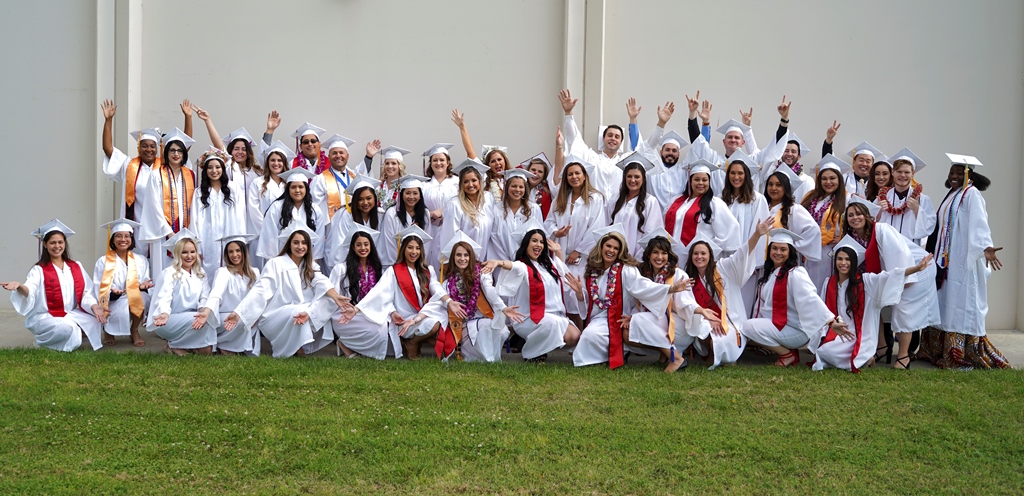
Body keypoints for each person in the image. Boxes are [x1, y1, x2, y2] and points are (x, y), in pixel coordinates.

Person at [919, 154, 1009, 369]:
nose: (954, 176)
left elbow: (979, 224)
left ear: (969, 175)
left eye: (960, 173)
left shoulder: (972, 194)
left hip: (963, 262)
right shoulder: (953, 194)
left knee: (959, 303)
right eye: (952, 172)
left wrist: (986, 247)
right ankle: (937, 350)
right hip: (948, 261)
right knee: (946, 302)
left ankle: (960, 352)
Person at [564, 224, 690, 369]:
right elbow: (588, 301)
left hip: (620, 316)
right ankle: (617, 352)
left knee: (591, 335)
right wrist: (579, 292)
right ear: (601, 247)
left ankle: (670, 356)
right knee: (589, 335)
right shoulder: (593, 270)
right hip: (599, 317)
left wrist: (672, 288)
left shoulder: (626, 270)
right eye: (608, 246)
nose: (611, 250)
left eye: (616, 248)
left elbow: (643, 286)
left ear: (620, 251)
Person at [842, 197, 940, 368]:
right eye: (850, 215)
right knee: (874, 302)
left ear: (867, 215)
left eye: (858, 214)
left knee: (903, 308)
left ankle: (903, 356)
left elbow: (900, 254)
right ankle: (882, 347)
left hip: (917, 269)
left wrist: (906, 279)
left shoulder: (881, 229)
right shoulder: (854, 238)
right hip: (894, 273)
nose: (855, 217)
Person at [811, 236, 933, 372]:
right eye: (840, 259)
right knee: (821, 348)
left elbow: (891, 275)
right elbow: (822, 310)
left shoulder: (865, 281)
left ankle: (864, 357)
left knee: (828, 351)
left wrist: (916, 268)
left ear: (854, 262)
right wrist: (831, 324)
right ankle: (864, 360)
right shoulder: (829, 283)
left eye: (848, 259)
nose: (843, 263)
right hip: (835, 330)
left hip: (858, 334)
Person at [225, 225, 349, 358]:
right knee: (300, 311)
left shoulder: (310, 265)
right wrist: (239, 312)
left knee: (324, 300)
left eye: (304, 243)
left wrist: (336, 297)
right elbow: (260, 290)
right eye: (296, 242)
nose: (300, 246)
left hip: (301, 310)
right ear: (289, 244)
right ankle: (295, 348)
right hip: (274, 316)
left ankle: (299, 344)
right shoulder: (276, 263)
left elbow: (321, 281)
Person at [337, 226, 450, 360]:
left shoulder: (428, 270)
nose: (414, 252)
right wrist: (356, 309)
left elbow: (436, 288)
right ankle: (411, 344)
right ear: (403, 249)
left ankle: (412, 343)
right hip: (403, 320)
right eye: (410, 247)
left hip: (420, 317)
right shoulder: (393, 271)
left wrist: (449, 301)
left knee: (436, 321)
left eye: (417, 248)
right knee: (432, 328)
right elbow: (379, 293)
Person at [741, 228, 847, 367]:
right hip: (782, 327)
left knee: (747, 327)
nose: (778, 252)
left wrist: (831, 322)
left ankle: (787, 355)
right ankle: (789, 352)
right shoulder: (771, 273)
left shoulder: (795, 273)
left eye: (783, 249)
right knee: (747, 329)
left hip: (797, 330)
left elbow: (810, 299)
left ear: (790, 252)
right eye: (775, 248)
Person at [683, 221, 772, 369]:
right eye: (696, 253)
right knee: (703, 327)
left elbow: (742, 254)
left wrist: (756, 235)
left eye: (703, 253)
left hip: (731, 322)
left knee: (720, 340)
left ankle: (726, 357)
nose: (699, 257)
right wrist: (709, 319)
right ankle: (714, 354)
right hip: (706, 319)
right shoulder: (690, 277)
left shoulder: (724, 268)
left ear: (710, 255)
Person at [3, 220, 103, 352]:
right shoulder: (39, 270)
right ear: (45, 244)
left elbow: (86, 292)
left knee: (96, 319)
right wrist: (19, 286)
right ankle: (42, 342)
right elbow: (30, 290)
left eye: (60, 242)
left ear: (65, 243)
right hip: (45, 315)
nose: (57, 246)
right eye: (52, 242)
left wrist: (94, 306)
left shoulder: (75, 266)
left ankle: (73, 331)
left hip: (69, 313)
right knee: (67, 329)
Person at [493, 217, 581, 362]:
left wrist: (559, 252)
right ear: (526, 243)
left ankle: (540, 345)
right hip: (529, 318)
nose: (538, 244)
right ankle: (532, 353)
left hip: (553, 316)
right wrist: (498, 262)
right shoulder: (522, 266)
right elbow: (512, 266)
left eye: (541, 241)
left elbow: (562, 277)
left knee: (574, 336)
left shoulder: (548, 265)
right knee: (551, 323)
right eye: (534, 240)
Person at [544, 157, 607, 328]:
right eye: (570, 174)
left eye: (577, 173)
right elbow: (549, 222)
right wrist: (556, 231)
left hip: (583, 257)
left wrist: (578, 251)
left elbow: (597, 227)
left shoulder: (595, 199)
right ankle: (569, 334)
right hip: (561, 253)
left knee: (579, 293)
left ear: (585, 175)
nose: (574, 177)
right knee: (563, 292)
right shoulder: (560, 199)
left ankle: (582, 332)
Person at [437, 232, 518, 363]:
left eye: (466, 255)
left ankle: (490, 359)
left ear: (471, 257)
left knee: (496, 327)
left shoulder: (481, 274)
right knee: (484, 326)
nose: (462, 258)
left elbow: (490, 290)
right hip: (463, 325)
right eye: (458, 255)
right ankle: (488, 360)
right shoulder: (447, 283)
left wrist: (502, 307)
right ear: (453, 257)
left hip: (482, 318)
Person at [314, 224, 390, 359]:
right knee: (379, 329)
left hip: (368, 312)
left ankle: (351, 346)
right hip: (345, 315)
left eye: (366, 244)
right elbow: (330, 295)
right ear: (353, 248)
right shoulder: (341, 270)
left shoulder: (378, 270)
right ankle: (345, 343)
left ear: (371, 247)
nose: (363, 248)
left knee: (384, 325)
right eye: (358, 245)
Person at [626, 228, 695, 372]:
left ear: (669, 256)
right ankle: (664, 356)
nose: (660, 257)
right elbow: (641, 302)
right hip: (658, 323)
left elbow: (687, 304)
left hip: (677, 325)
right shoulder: (644, 275)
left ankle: (676, 358)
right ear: (649, 254)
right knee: (627, 332)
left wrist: (700, 311)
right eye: (655, 252)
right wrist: (631, 317)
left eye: (664, 253)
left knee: (639, 321)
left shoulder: (677, 274)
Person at [146, 229, 215, 355]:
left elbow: (205, 296)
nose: (189, 256)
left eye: (192, 252)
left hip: (191, 317)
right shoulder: (169, 273)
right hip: (167, 320)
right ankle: (173, 345)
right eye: (184, 252)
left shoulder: (200, 273)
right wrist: (165, 313)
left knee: (206, 350)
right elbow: (164, 296)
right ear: (177, 254)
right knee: (204, 327)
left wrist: (202, 311)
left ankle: (186, 346)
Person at [193, 234, 261, 355]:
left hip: (247, 315)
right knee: (241, 321)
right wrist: (206, 313)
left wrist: (254, 316)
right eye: (230, 252)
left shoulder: (254, 272)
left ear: (244, 252)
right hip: (225, 317)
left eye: (238, 250)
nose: (234, 255)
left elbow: (258, 298)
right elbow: (216, 294)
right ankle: (224, 345)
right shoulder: (224, 272)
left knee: (249, 320)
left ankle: (234, 346)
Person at [557, 89, 632, 196]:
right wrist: (568, 113)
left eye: (617, 137)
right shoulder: (592, 158)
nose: (613, 139)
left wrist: (633, 119)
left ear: (620, 142)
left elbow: (644, 148)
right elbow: (574, 139)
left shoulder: (625, 161)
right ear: (603, 138)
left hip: (618, 209)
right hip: (595, 207)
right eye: (610, 135)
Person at [663, 159, 741, 259]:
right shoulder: (676, 201)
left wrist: (709, 248)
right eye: (696, 179)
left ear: (709, 182)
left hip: (698, 259)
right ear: (690, 181)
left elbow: (731, 230)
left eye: (704, 180)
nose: (701, 183)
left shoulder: (714, 203)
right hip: (671, 256)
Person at [93, 218, 153, 347]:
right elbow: (98, 285)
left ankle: (134, 330)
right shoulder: (103, 261)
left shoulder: (141, 260)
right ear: (113, 240)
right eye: (118, 236)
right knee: (128, 300)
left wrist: (142, 287)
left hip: (134, 296)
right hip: (113, 300)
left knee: (142, 298)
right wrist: (112, 292)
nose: (123, 239)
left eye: (127, 236)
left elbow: (144, 280)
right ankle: (108, 330)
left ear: (131, 239)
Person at [191, 147, 246, 278]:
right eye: (210, 167)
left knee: (231, 271)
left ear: (223, 168)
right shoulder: (199, 192)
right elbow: (194, 219)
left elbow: (241, 216)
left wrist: (240, 242)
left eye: (218, 167)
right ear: (205, 170)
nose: (214, 171)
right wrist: (196, 247)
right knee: (208, 271)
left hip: (230, 236)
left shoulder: (233, 188)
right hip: (207, 240)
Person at [801, 154, 852, 292]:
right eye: (824, 178)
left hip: (829, 251)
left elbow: (854, 222)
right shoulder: (810, 197)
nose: (828, 182)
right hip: (808, 248)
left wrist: (843, 238)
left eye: (832, 178)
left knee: (825, 284)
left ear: (839, 180)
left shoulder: (846, 199)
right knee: (807, 283)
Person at [256, 167, 327, 264]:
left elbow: (318, 238)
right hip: (281, 259)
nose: (297, 190)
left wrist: (313, 262)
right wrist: (275, 262)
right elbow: (270, 236)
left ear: (306, 189)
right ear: (288, 189)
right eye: (293, 187)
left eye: (301, 187)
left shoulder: (315, 209)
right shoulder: (276, 207)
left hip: (306, 260)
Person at [606, 151, 664, 257]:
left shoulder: (650, 202)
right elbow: (606, 227)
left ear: (643, 179)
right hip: (613, 256)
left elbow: (651, 233)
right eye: (629, 176)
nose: (632, 180)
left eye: (637, 177)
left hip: (636, 259)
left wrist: (638, 258)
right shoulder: (615, 199)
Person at [247, 140, 294, 269]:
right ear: (267, 162)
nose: (276, 163)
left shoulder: (290, 184)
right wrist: (267, 230)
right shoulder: (258, 183)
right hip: (262, 235)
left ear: (284, 163)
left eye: (279, 160)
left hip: (286, 235)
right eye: (272, 160)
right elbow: (253, 209)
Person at [439, 159, 497, 261]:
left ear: (479, 181)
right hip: (462, 262)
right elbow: (448, 236)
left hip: (484, 260)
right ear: (461, 184)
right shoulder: (455, 205)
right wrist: (448, 261)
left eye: (474, 180)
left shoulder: (488, 199)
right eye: (466, 181)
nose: (470, 185)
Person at [876, 147, 937, 244]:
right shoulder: (882, 198)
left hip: (910, 250)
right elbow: (870, 224)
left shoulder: (922, 200)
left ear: (913, 173)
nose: (903, 175)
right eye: (899, 171)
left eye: (907, 172)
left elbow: (929, 226)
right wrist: (877, 212)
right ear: (893, 172)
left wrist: (917, 210)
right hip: (886, 250)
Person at [325, 175, 382, 268]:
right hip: (348, 265)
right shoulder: (345, 215)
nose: (365, 203)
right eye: (360, 199)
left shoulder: (380, 215)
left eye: (369, 198)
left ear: (375, 198)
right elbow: (339, 247)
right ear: (355, 200)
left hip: (371, 266)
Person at [451, 110, 506, 202]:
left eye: (499, 159)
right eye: (493, 161)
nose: (497, 163)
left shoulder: (511, 179)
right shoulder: (484, 177)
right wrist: (462, 127)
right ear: (487, 165)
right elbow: (470, 152)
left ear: (505, 161)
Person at [379, 175, 432, 267]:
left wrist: (420, 264)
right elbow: (389, 242)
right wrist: (399, 266)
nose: (411, 197)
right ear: (401, 194)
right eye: (407, 193)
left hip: (418, 265)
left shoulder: (425, 214)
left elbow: (426, 242)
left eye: (415, 193)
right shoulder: (392, 214)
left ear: (420, 195)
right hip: (395, 264)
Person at [491, 168, 542, 261]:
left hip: (528, 263)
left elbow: (538, 237)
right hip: (502, 263)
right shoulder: (497, 209)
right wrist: (506, 263)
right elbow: (494, 239)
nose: (517, 190)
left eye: (521, 187)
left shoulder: (534, 209)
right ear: (507, 187)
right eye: (514, 186)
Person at [377, 145, 412, 211]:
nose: (390, 166)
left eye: (393, 163)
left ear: (400, 166)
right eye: (387, 163)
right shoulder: (378, 186)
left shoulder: (405, 186)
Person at [520, 153, 553, 220]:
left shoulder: (545, 193)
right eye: (533, 170)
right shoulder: (519, 188)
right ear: (528, 171)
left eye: (540, 171)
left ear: (544, 176)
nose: (536, 174)